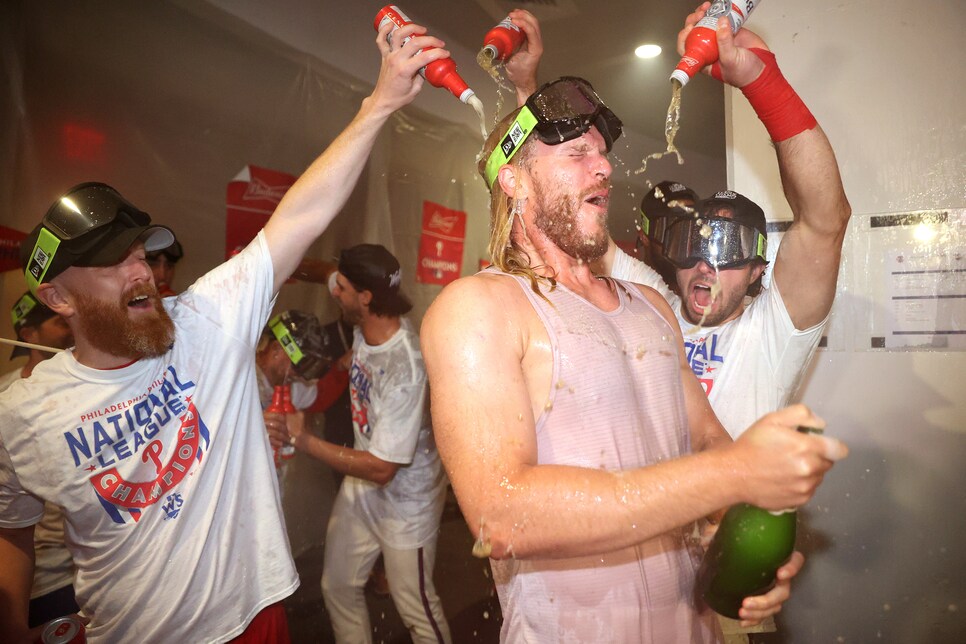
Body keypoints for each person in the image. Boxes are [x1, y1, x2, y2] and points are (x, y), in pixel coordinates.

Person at [0, 18, 445, 643]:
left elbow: (301, 215)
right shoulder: (21, 413)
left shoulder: (204, 320)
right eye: (114, 262)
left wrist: (381, 102)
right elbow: (9, 521)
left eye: (141, 253)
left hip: (254, 621)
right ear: (56, 297)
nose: (142, 273)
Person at [420, 41, 847, 644]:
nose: (604, 168)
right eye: (577, 153)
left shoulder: (647, 306)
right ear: (513, 183)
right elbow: (502, 513)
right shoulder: (479, 308)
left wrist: (748, 544)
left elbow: (705, 442)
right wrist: (736, 476)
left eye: (602, 153)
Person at [599, 5, 852, 442]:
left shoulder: (770, 335)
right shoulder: (657, 306)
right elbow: (562, 214)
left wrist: (761, 80)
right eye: (694, 242)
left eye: (727, 247)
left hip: (735, 513)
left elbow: (825, 220)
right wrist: (527, 90)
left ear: (757, 268)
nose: (706, 264)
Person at [283, 243, 451, 644]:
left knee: (416, 609)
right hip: (364, 490)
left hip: (405, 502)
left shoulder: (405, 368)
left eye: (341, 288)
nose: (333, 291)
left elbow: (382, 467)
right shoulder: (368, 312)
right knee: (338, 585)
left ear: (365, 297)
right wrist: (277, 263)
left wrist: (303, 439)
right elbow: (324, 268)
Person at [0, 293, 78, 628]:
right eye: (60, 321)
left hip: (87, 570)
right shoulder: (7, 401)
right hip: (47, 581)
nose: (71, 328)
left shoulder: (85, 386)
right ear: (29, 335)